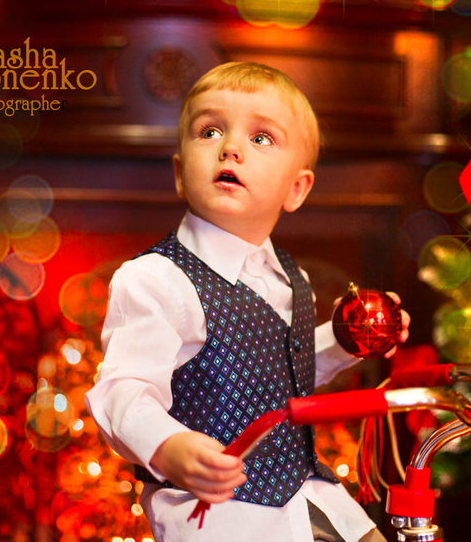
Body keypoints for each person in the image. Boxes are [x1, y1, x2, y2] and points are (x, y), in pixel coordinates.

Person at [85, 62, 409, 542]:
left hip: (309, 493)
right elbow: (121, 391)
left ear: (296, 188)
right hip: (223, 516)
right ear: (180, 174)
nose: (230, 147)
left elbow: (282, 372)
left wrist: (345, 341)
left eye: (260, 138)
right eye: (210, 131)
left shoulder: (291, 277)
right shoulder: (156, 279)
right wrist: (167, 446)